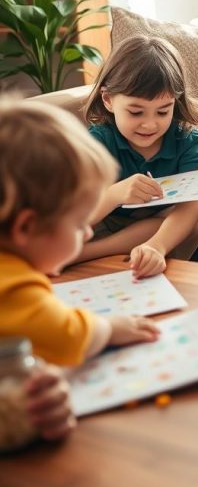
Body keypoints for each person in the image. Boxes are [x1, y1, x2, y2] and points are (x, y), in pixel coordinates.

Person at [0, 100, 160, 366]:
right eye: (78, 224)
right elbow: (68, 335)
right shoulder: (14, 288)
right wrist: (109, 329)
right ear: (26, 228)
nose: (88, 233)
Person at [82, 36, 198, 277]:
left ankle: (97, 254)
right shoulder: (97, 141)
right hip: (101, 223)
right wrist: (115, 195)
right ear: (108, 100)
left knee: (197, 218)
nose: (150, 124)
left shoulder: (189, 140)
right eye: (135, 112)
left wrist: (156, 245)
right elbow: (76, 216)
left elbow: (193, 206)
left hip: (155, 232)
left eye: (163, 111)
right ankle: (87, 253)